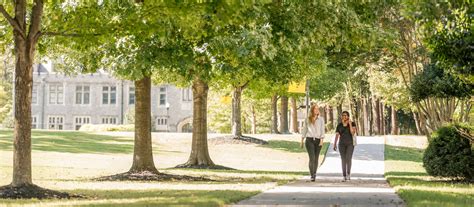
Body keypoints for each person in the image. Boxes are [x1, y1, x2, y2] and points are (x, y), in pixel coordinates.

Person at [300, 105, 325, 182]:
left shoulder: (321, 119)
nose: (317, 110)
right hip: (309, 140)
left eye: (318, 109)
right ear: (312, 110)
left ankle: (314, 173)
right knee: (312, 158)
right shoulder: (307, 119)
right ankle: (312, 175)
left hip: (318, 140)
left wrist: (321, 140)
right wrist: (302, 140)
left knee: (316, 158)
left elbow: (322, 130)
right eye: (315, 109)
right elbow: (304, 130)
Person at [333, 111, 357, 182]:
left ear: (348, 116)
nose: (344, 117)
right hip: (341, 144)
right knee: (343, 159)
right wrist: (334, 144)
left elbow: (352, 133)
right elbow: (337, 135)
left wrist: (349, 124)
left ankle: (348, 174)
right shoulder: (339, 125)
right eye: (343, 115)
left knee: (348, 158)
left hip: (350, 144)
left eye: (346, 115)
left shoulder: (352, 124)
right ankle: (344, 175)